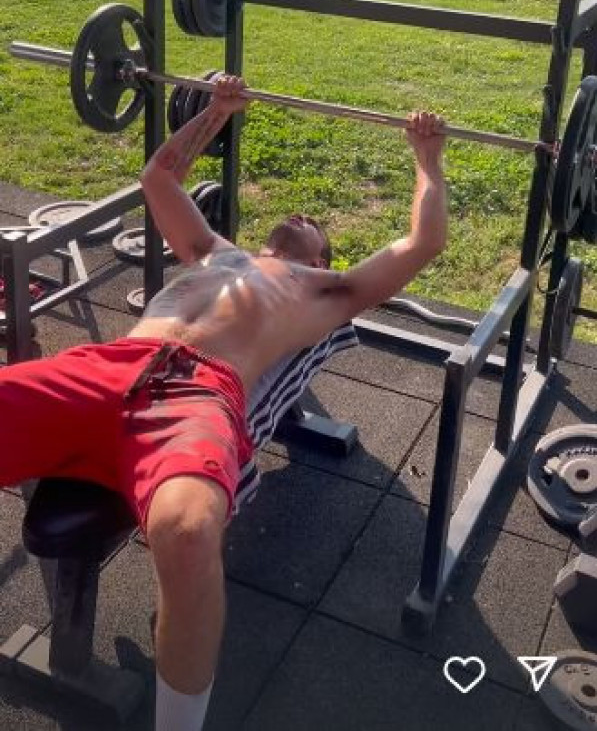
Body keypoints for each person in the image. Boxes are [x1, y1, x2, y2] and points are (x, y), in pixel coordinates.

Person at [0, 75, 447, 731]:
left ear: (323, 256)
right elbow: (160, 178)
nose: (302, 215)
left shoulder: (328, 292)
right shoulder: (212, 251)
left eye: (315, 226)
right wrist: (217, 110)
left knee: (187, 533)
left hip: (194, 399)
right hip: (108, 366)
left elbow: (422, 244)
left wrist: (426, 158)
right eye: (296, 216)